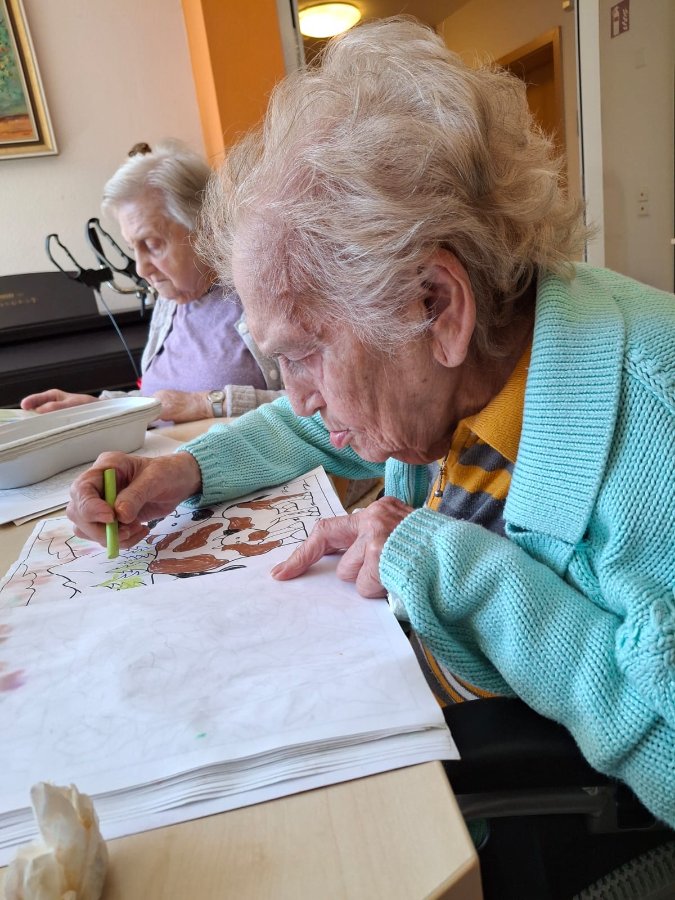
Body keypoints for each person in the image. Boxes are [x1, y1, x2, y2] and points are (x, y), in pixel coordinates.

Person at [67, 18, 675, 833]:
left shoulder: (653, 430)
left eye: (304, 354)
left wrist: (447, 566)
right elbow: (319, 426)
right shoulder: (463, 359)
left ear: (435, 304)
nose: (299, 396)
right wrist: (186, 470)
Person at [21, 139, 282, 422]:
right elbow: (163, 402)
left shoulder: (265, 295)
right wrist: (100, 407)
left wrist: (206, 404)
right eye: (133, 247)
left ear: (206, 228)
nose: (141, 268)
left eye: (153, 244)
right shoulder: (171, 304)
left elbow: (312, 405)